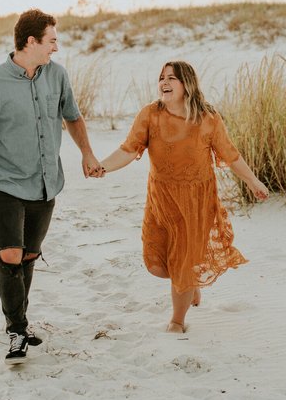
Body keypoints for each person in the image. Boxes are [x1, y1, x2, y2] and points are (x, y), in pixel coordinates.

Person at [0, 8, 103, 365]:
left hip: (45, 183)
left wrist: (87, 153)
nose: (56, 47)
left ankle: (19, 324)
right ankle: (16, 330)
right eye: (52, 40)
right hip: (4, 185)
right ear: (31, 42)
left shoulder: (57, 76)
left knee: (28, 257)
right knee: (9, 254)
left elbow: (72, 116)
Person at [99, 60, 269, 333]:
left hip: (195, 201)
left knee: (184, 262)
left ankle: (177, 319)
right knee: (158, 264)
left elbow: (231, 155)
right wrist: (102, 167)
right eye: (162, 77)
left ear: (187, 84)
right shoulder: (150, 115)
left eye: (172, 78)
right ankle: (190, 283)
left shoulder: (207, 119)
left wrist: (252, 181)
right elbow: (129, 150)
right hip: (161, 198)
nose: (164, 82)